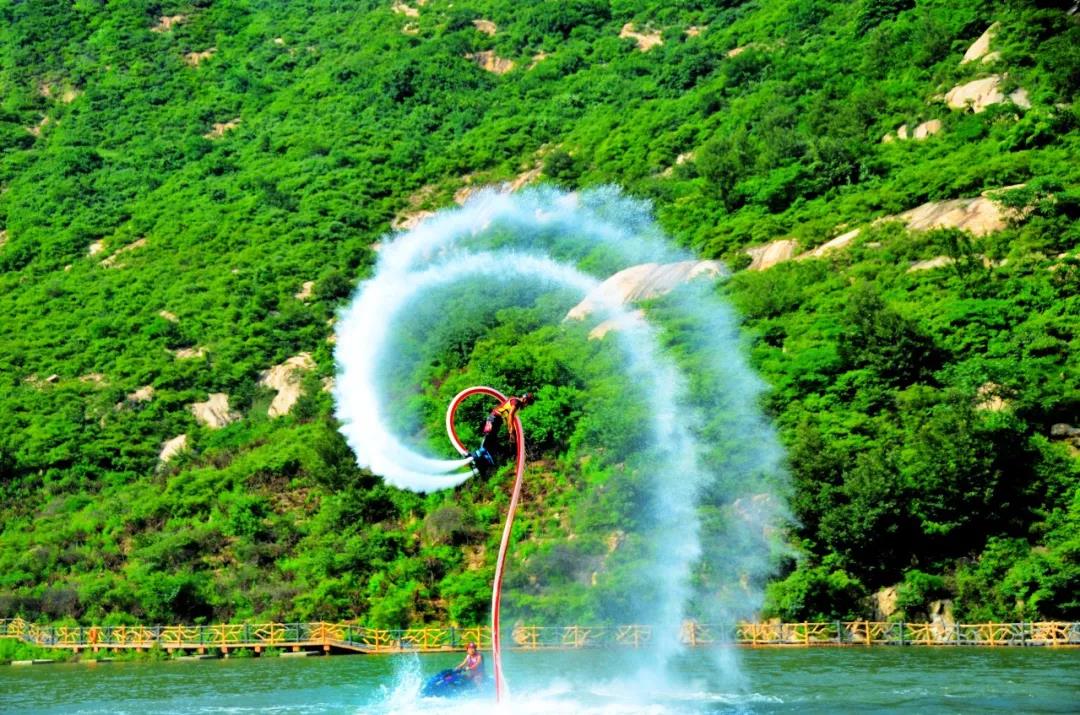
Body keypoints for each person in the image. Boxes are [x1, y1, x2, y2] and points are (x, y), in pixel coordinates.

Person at [470, 393, 534, 477]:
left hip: (497, 420)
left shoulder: (515, 401)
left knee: (492, 440)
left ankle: (482, 458)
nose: (526, 405)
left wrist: (512, 430)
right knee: (489, 437)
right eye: (528, 403)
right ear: (525, 400)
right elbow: (510, 415)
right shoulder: (516, 402)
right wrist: (511, 431)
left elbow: (510, 416)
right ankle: (477, 455)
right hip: (494, 418)